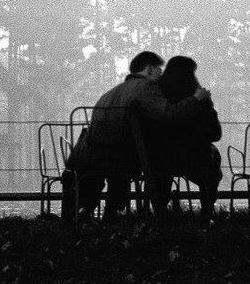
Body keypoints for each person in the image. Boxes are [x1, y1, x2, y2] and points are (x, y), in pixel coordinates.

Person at [64, 50, 210, 220]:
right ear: (149, 69)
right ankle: (159, 215)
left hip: (94, 157)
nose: (161, 74)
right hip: (123, 157)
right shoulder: (145, 88)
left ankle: (107, 215)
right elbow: (168, 114)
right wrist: (196, 98)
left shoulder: (110, 93)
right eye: (158, 70)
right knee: (163, 162)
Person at [152, 55, 223, 216]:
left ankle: (159, 212)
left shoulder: (155, 99)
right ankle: (207, 210)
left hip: (160, 159)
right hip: (194, 159)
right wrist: (208, 105)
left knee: (164, 166)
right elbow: (215, 133)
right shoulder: (199, 100)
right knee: (213, 157)